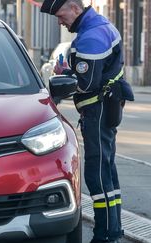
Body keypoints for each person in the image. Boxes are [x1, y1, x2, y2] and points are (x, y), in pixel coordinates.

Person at [40, 1, 134, 243]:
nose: (60, 21)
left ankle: (104, 234)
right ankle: (112, 230)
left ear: (74, 7)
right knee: (107, 171)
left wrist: (64, 75)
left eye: (61, 15)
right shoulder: (100, 26)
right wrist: (72, 72)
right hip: (104, 107)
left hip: (98, 110)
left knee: (97, 174)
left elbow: (86, 83)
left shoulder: (91, 36)